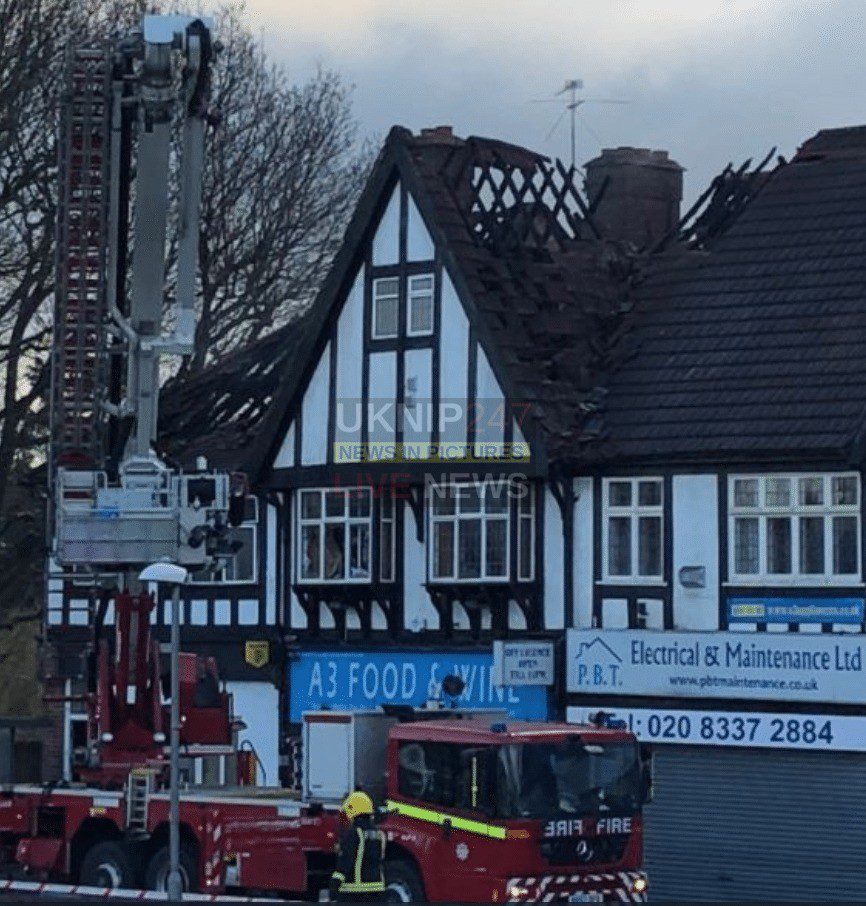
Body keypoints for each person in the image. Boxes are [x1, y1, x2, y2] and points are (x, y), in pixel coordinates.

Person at [329, 791, 387, 902]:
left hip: (354, 892)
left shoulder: (355, 833)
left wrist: (334, 884)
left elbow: (346, 860)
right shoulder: (379, 834)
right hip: (377, 890)